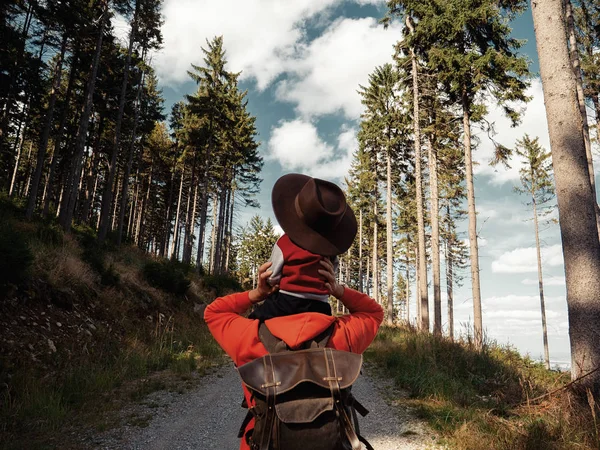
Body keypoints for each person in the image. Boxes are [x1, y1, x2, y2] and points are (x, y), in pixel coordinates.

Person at [204, 174, 383, 450]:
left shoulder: (249, 335)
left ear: (277, 273)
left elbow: (213, 313)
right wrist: (339, 291)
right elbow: (373, 313)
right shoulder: (344, 335)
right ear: (327, 276)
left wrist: (257, 294)